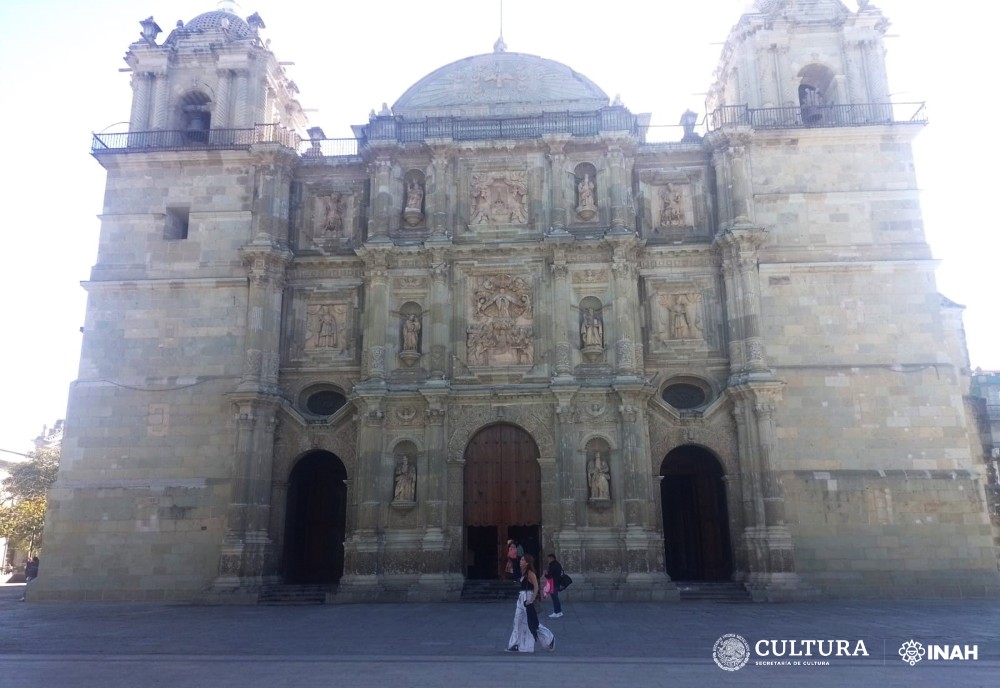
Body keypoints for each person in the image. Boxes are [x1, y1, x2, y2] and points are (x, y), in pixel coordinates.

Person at [506, 554, 555, 653]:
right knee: (517, 621)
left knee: (532, 622)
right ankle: (515, 644)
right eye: (521, 560)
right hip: (521, 598)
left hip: (527, 597)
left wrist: (531, 600)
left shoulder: (530, 573)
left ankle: (549, 638)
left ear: (527, 562)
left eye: (523, 560)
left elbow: (536, 587)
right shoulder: (523, 572)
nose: (520, 561)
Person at [544, 553, 564, 618]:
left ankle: (556, 612)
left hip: (553, 583)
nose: (548, 560)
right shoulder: (558, 564)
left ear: (552, 558)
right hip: (557, 583)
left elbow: (549, 576)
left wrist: (545, 574)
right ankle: (559, 612)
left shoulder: (553, 565)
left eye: (549, 559)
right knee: (555, 598)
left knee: (555, 598)